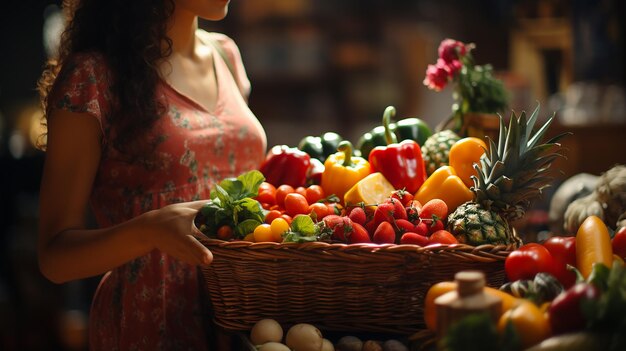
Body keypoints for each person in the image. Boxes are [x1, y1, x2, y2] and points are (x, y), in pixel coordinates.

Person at [36, 0, 267, 349]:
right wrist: (148, 231)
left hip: (243, 322)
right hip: (150, 323)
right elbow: (54, 257)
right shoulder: (92, 77)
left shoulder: (225, 54)